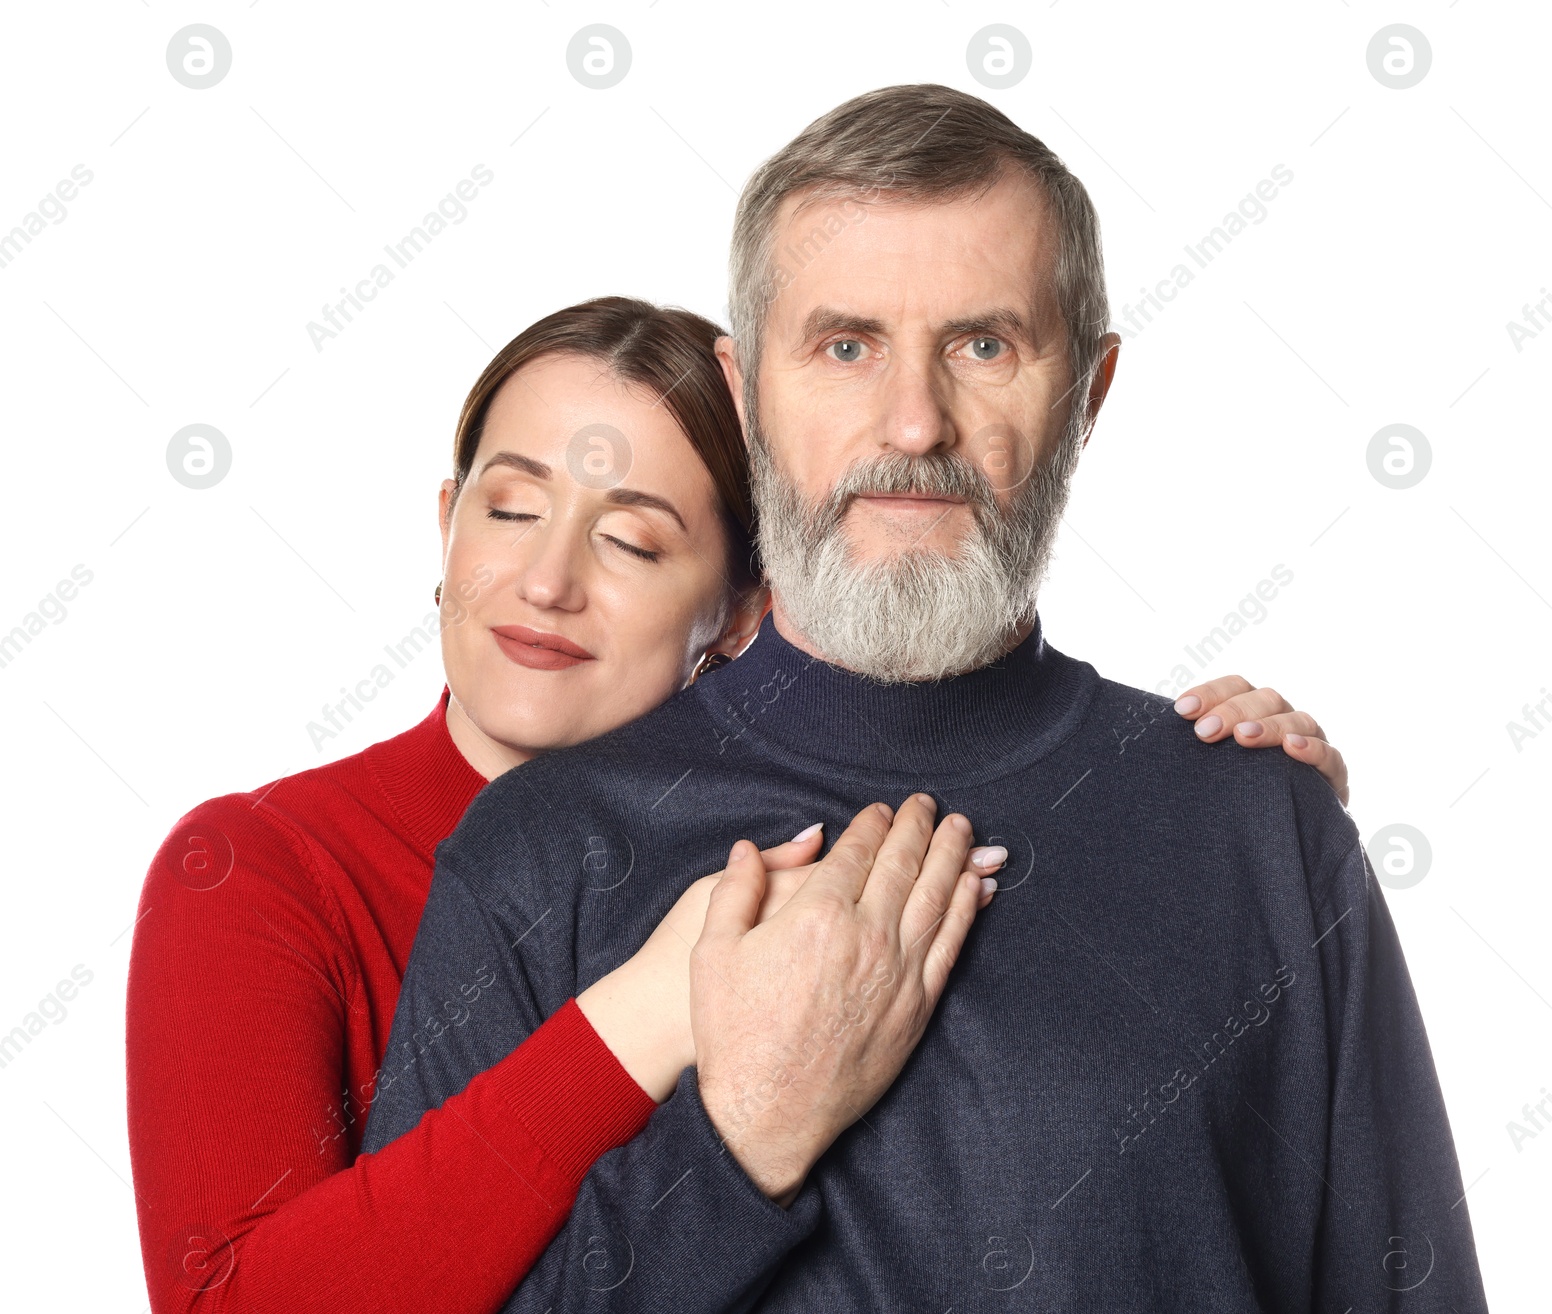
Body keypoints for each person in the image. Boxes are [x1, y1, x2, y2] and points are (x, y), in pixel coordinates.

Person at [363, 86, 1486, 1312]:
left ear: (1089, 394)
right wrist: (740, 1146)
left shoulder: (1263, 834)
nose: (914, 422)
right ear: (744, 396)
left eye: (983, 345)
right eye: (845, 346)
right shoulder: (542, 855)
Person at [125, 296, 1335, 1314]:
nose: (545, 581)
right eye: (509, 509)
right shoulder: (257, 866)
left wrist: (1237, 813)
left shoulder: (829, 854)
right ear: (444, 525)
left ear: (747, 607)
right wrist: (646, 1014)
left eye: (635, 544)